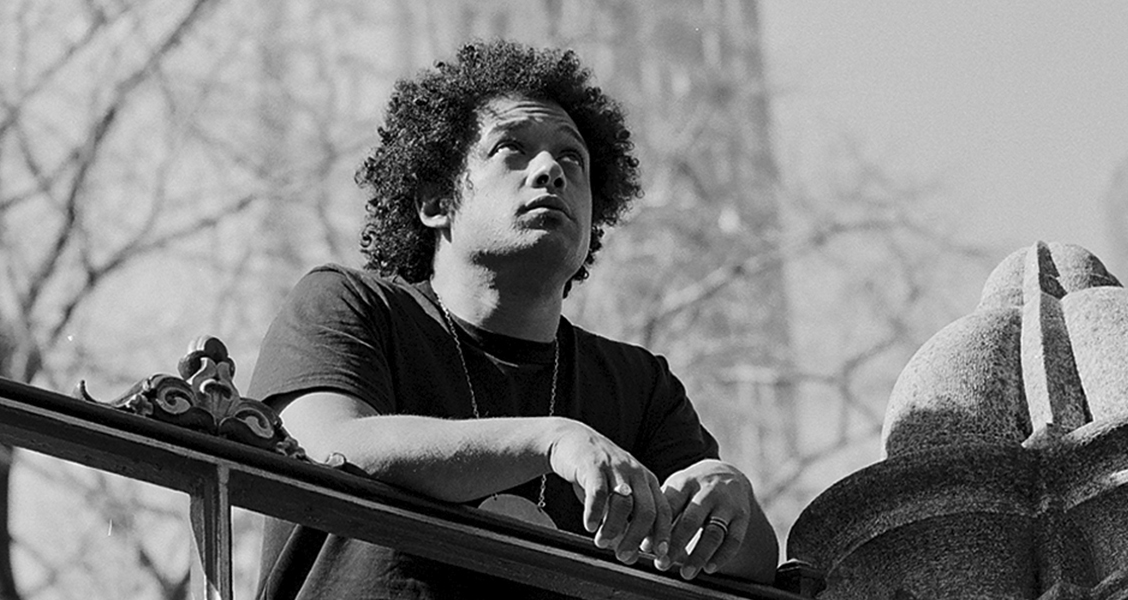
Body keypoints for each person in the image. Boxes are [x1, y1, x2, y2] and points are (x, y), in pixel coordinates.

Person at [249, 40, 778, 599]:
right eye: (512, 149)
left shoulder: (640, 385)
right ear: (435, 201)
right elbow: (329, 444)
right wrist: (550, 440)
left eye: (572, 158)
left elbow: (756, 566)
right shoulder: (350, 304)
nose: (551, 170)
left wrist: (726, 498)